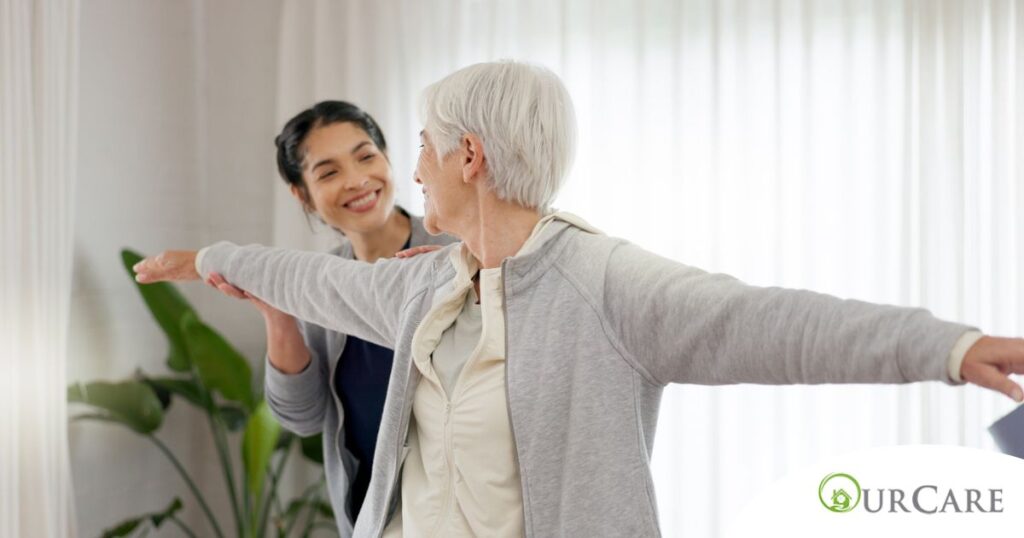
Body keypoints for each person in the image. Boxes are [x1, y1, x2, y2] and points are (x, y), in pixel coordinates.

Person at [134, 61, 1024, 537]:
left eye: (423, 148)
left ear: (470, 156)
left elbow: (771, 322)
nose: (413, 171)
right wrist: (214, 259)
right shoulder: (425, 281)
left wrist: (947, 348)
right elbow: (312, 279)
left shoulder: (604, 283)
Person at [209, 100, 453, 536]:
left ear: (387, 158)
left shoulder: (455, 253)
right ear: (301, 194)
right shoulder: (319, 282)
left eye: (366, 157)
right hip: (371, 519)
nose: (356, 180)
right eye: (328, 172)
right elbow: (302, 417)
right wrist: (279, 314)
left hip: (456, 516)